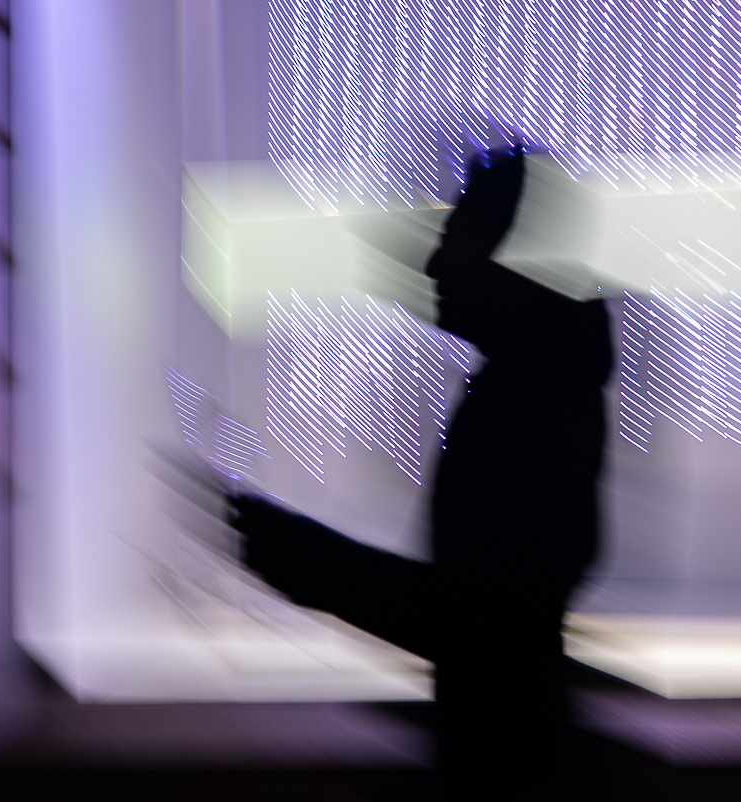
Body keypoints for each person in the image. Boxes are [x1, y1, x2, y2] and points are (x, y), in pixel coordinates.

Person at [229, 145, 612, 800]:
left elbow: (486, 622)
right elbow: (501, 617)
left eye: (460, 237)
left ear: (519, 263)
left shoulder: (531, 406)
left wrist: (308, 562)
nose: (435, 262)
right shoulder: (548, 391)